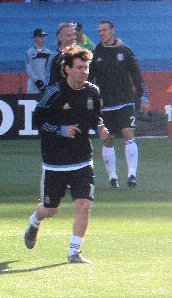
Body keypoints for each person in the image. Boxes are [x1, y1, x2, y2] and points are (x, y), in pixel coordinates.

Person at [23, 46, 109, 264]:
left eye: (86, 67)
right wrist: (61, 129)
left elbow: (95, 119)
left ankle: (74, 252)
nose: (84, 72)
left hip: (82, 159)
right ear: (67, 69)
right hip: (55, 161)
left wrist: (100, 128)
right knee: (51, 209)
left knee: (84, 204)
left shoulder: (93, 92)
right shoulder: (54, 93)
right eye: (79, 68)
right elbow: (37, 121)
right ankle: (34, 222)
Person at [89, 20, 149, 188]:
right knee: (108, 139)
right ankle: (112, 176)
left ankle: (132, 174)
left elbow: (137, 75)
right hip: (105, 103)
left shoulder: (125, 51)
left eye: (105, 30)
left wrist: (144, 97)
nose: (102, 33)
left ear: (113, 31)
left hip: (125, 101)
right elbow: (88, 80)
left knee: (128, 133)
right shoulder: (96, 54)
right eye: (99, 30)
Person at [47, 22, 78, 87]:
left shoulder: (81, 55)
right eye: (69, 35)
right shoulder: (54, 58)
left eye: (74, 34)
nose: (73, 38)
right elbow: (50, 83)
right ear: (59, 37)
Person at [26, 29, 52, 94]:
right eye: (40, 36)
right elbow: (29, 68)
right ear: (35, 38)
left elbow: (50, 69)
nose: (42, 38)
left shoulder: (49, 52)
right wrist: (37, 81)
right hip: (33, 86)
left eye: (43, 36)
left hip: (46, 85)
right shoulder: (29, 52)